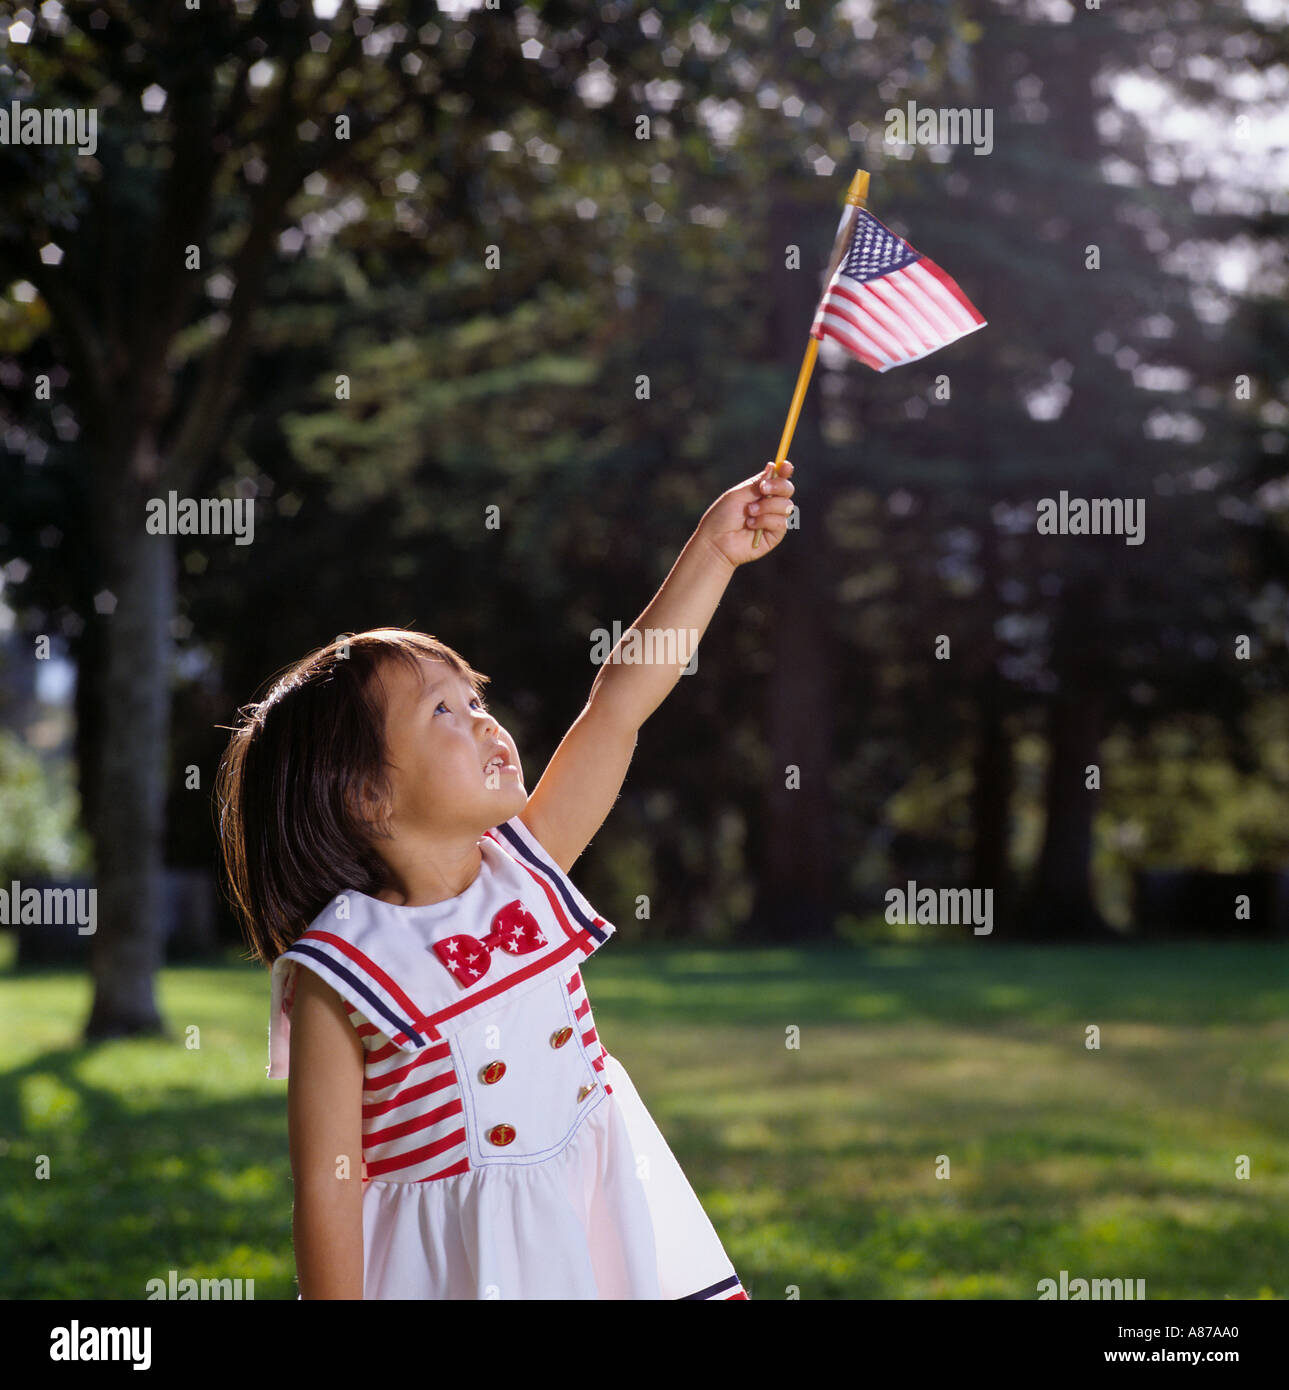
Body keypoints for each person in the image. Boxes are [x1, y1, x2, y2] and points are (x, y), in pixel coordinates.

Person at [215, 459, 795, 1299]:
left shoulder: (524, 868)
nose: (483, 721)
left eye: (474, 697)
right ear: (367, 795)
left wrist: (712, 552)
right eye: (442, 712)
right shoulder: (341, 970)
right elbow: (329, 1184)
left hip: (593, 1229)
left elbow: (619, 704)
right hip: (455, 1269)